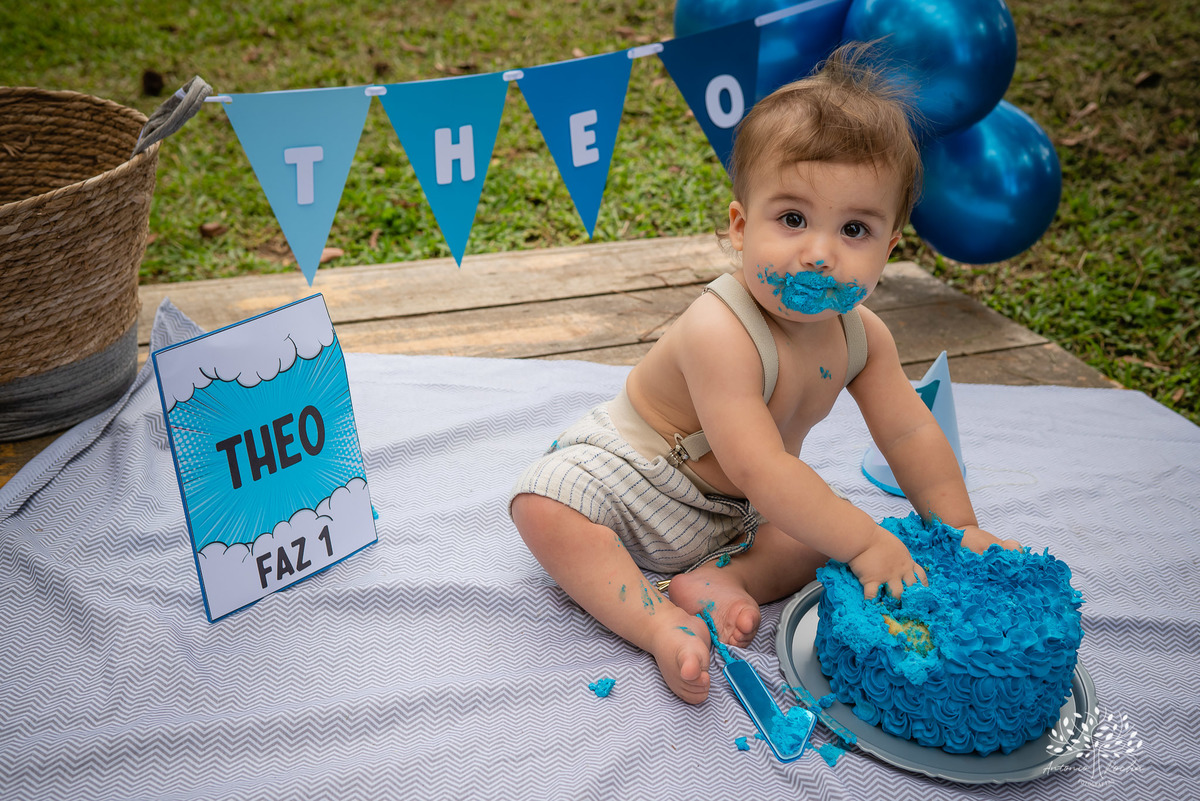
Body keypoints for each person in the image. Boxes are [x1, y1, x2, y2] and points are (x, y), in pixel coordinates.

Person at [509, 42, 1019, 705]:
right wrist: (864, 541)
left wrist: (957, 529)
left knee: (820, 535)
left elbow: (910, 434)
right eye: (793, 219)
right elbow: (759, 465)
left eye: (855, 229)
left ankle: (728, 579)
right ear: (741, 226)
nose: (818, 253)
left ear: (891, 246)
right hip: (640, 475)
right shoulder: (720, 328)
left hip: (742, 511)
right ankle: (659, 623)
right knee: (544, 505)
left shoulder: (865, 337)